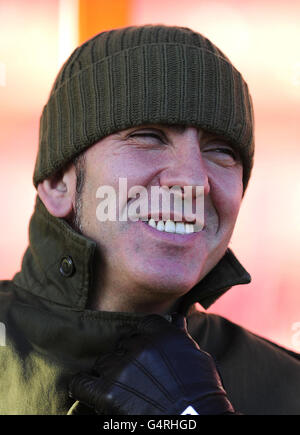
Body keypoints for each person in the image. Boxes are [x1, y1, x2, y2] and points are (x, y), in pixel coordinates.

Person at [0, 24, 299, 416]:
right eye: (149, 136)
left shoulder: (287, 389)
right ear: (58, 183)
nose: (192, 180)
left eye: (222, 151)